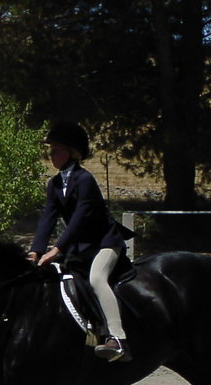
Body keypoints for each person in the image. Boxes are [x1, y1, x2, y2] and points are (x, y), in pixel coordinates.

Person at [27, 122, 133, 362]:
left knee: (97, 279)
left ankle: (118, 339)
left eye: (57, 150)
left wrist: (57, 249)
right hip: (80, 248)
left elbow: (80, 217)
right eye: (51, 150)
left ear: (72, 152)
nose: (52, 155)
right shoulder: (54, 184)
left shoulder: (85, 179)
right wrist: (35, 251)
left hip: (105, 243)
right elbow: (48, 218)